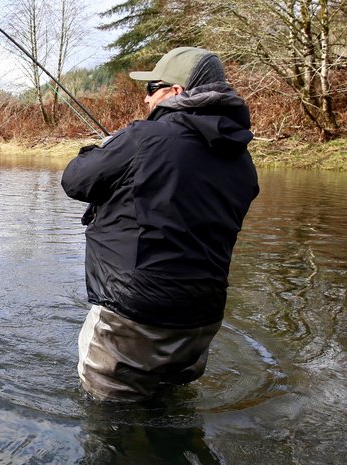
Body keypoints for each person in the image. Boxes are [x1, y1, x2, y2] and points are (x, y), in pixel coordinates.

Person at [61, 47, 259, 402]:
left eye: (153, 87)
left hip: (133, 318)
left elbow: (76, 181)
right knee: (168, 407)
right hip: (202, 321)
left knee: (108, 420)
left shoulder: (144, 138)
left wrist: (102, 148)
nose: (146, 97)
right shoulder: (241, 160)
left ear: (177, 92)